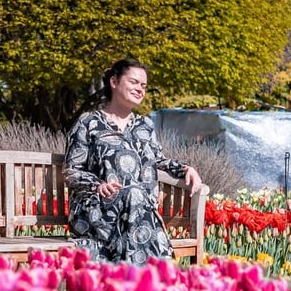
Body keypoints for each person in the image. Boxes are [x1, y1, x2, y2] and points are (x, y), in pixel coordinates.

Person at [64, 58, 202, 265]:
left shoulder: (144, 125)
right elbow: (71, 170)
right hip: (97, 210)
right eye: (134, 82)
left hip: (137, 209)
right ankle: (158, 279)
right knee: (135, 195)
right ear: (114, 82)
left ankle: (132, 281)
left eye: (144, 86)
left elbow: (158, 159)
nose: (140, 89)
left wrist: (185, 169)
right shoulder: (89, 122)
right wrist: (98, 185)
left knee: (136, 197)